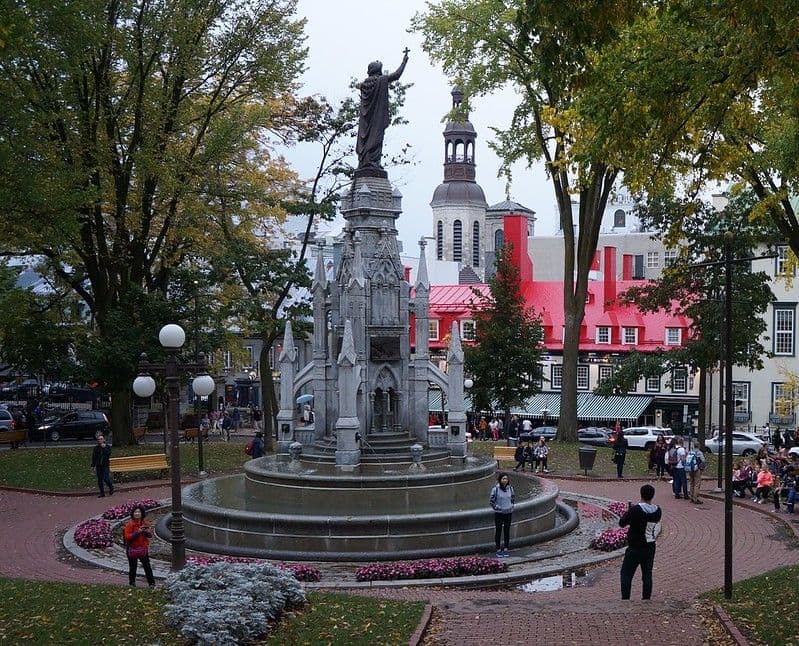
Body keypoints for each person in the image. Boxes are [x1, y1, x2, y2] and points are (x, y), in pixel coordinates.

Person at [356, 50, 409, 170]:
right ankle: (373, 162)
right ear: (378, 70)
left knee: (367, 139)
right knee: (376, 139)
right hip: (376, 120)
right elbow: (396, 75)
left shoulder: (364, 85)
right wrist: (404, 62)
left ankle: (365, 162)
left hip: (365, 121)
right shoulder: (381, 80)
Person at [619, 484, 662, 600]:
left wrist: (628, 512)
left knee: (626, 573)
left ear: (641, 494)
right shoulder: (658, 511)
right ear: (652, 496)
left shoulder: (635, 510)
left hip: (635, 546)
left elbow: (622, 523)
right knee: (647, 574)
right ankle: (646, 599)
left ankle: (625, 599)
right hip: (650, 546)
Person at [123, 505, 155, 587]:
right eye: (135, 512)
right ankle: (132, 582)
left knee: (147, 566)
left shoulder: (145, 523)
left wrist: (146, 532)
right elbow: (127, 537)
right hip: (132, 548)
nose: (137, 514)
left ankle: (151, 583)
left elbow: (150, 535)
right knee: (133, 566)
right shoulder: (129, 525)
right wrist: (138, 532)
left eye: (139, 512)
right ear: (133, 514)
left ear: (142, 513)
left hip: (143, 548)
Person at [489, 473, 514, 557]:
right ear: (500, 480)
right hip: (499, 513)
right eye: (503, 479)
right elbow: (492, 501)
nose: (505, 480)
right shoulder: (495, 489)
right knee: (498, 530)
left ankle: (506, 547)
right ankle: (498, 548)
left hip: (508, 512)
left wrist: (511, 506)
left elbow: (513, 498)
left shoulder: (510, 488)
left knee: (507, 530)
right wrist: (497, 507)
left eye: (506, 479)